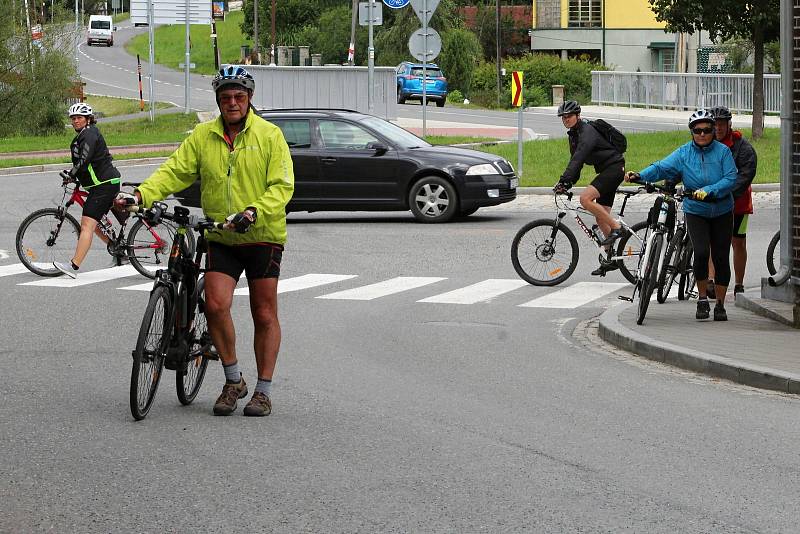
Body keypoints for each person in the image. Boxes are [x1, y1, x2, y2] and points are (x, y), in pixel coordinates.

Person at [115, 66, 295, 417]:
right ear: (218, 101)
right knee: (214, 304)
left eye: (239, 97)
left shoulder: (270, 135)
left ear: (249, 99)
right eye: (226, 98)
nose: (232, 103)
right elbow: (174, 171)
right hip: (221, 235)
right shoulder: (203, 136)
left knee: (264, 312)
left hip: (261, 235)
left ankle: (263, 390)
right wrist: (142, 194)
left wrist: (253, 212)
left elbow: (282, 185)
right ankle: (233, 381)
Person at [625, 109, 737, 321]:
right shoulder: (684, 153)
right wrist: (640, 174)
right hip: (695, 210)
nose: (702, 134)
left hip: (722, 210)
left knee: (721, 257)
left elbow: (731, 178)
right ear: (692, 132)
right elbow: (662, 167)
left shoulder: (723, 152)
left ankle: (720, 304)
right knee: (702, 253)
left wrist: (710, 190)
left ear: (713, 131)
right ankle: (702, 299)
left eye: (706, 130)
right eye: (697, 130)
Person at [555, 100, 626, 276]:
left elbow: (580, 156)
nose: (566, 120)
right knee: (601, 218)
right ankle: (611, 258)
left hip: (614, 169)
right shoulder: (574, 134)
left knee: (585, 199)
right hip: (608, 170)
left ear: (578, 115)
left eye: (569, 116)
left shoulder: (587, 132)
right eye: (563, 117)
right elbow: (576, 164)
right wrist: (567, 183)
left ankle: (617, 228)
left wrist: (564, 180)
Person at [53, 103, 122, 279]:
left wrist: (72, 173)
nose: (75, 121)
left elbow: (85, 159)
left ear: (88, 119)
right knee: (94, 221)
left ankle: (73, 265)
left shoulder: (89, 134)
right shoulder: (84, 135)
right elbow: (84, 164)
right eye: (73, 118)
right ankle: (118, 251)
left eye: (79, 118)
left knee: (87, 225)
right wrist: (74, 175)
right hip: (100, 184)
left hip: (104, 184)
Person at [706, 105, 757, 297]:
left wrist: (728, 194)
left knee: (738, 242)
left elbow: (746, 174)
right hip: (714, 202)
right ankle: (711, 280)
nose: (718, 128)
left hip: (739, 203)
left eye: (721, 124)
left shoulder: (742, 147)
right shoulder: (706, 143)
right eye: (715, 125)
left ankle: (739, 283)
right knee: (712, 242)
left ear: (729, 125)